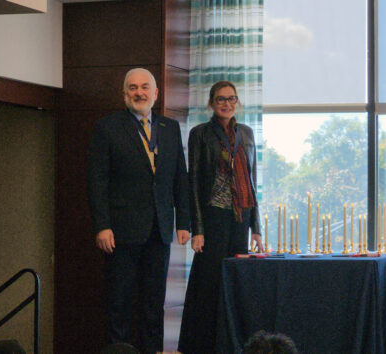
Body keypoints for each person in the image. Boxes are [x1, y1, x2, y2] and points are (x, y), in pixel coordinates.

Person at [87, 68, 190, 353]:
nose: (139, 92)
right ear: (124, 95)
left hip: (160, 229)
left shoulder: (170, 128)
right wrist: (102, 225)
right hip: (120, 231)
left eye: (145, 87)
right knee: (119, 303)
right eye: (132, 88)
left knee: (153, 304)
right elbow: (97, 181)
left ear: (155, 94)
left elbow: (179, 177)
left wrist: (184, 222)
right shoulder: (107, 127)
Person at [178, 80, 263, 353]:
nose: (227, 103)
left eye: (232, 99)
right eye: (221, 99)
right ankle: (200, 346)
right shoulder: (200, 134)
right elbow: (194, 183)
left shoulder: (247, 134)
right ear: (211, 104)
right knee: (207, 285)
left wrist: (256, 229)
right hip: (212, 218)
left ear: (237, 102)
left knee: (236, 282)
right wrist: (197, 229)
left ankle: (231, 343)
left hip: (241, 218)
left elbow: (252, 182)